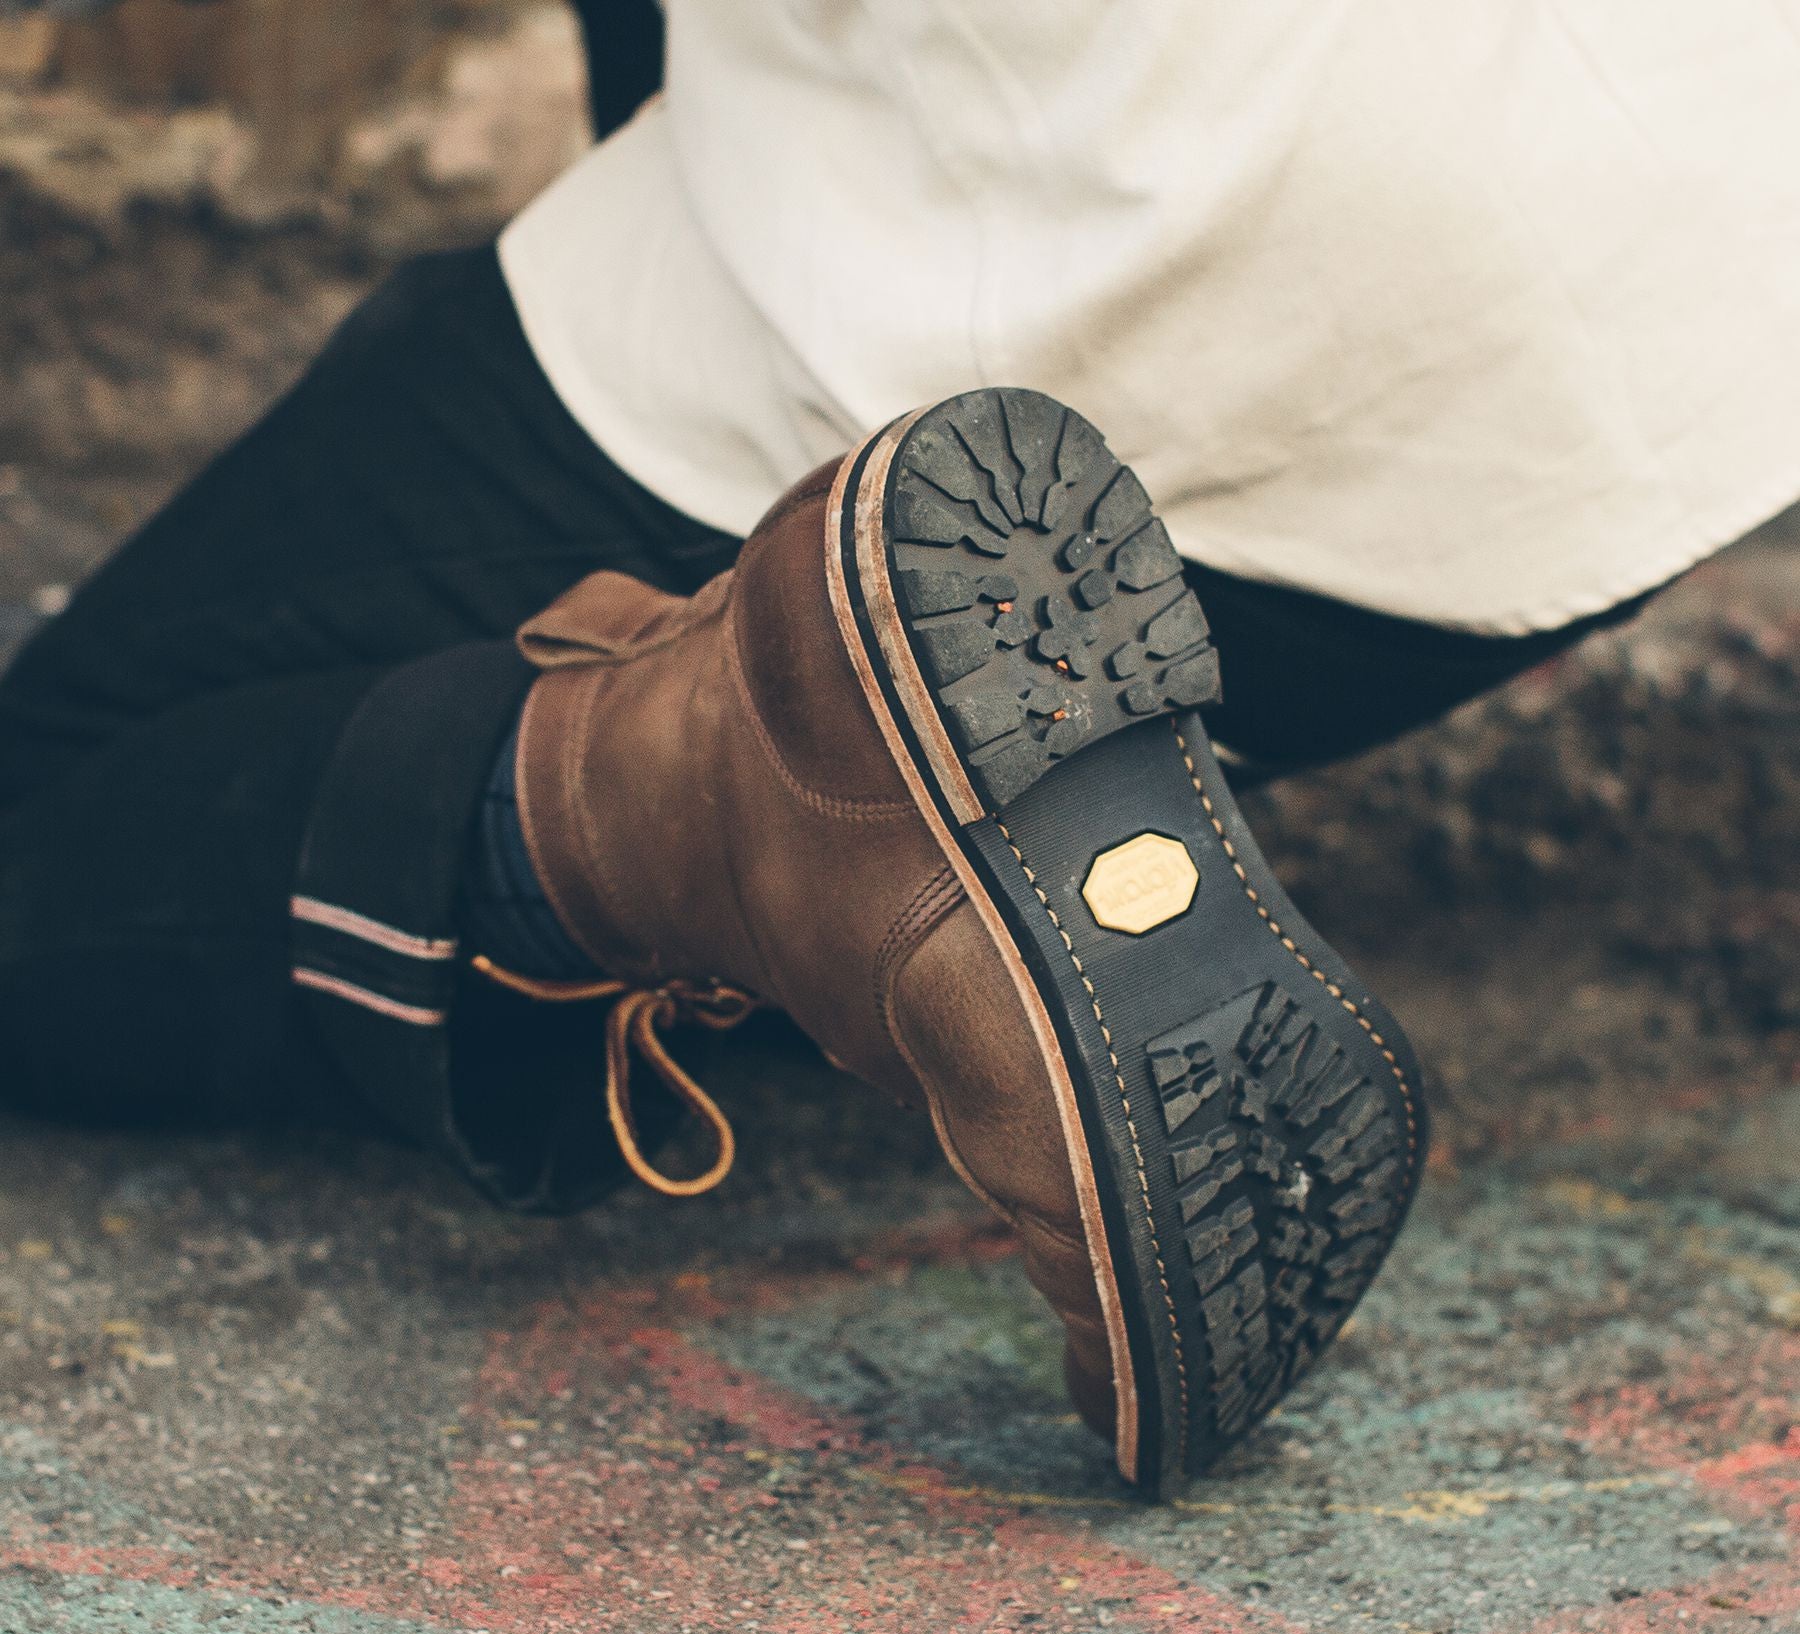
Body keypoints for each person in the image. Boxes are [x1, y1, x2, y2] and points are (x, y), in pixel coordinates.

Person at [2, 2, 1795, 1497]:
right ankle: (977, 831)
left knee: (53, 821)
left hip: (1105, 222)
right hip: (1652, 319)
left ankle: (721, 771)